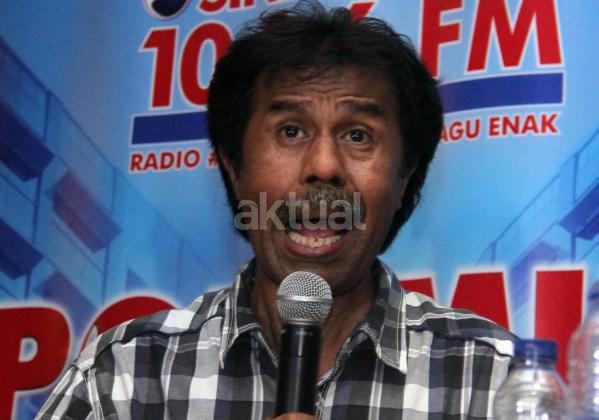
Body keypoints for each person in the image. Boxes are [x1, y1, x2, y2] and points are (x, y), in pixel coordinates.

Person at [36, 1, 515, 419]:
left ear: (404, 176)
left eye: (357, 135)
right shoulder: (124, 376)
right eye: (291, 131)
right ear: (233, 166)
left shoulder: (491, 379)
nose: (324, 166)